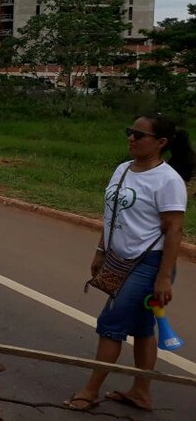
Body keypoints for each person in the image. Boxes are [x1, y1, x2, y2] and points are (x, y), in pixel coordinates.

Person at [63, 114, 194, 412]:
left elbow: (174, 231)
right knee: (142, 326)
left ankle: (90, 391)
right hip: (119, 260)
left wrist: (163, 278)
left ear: (161, 143)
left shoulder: (168, 181)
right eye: (129, 132)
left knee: (110, 322)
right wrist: (101, 251)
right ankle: (141, 391)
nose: (131, 139)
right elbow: (111, 215)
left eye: (139, 135)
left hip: (149, 264)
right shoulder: (123, 169)